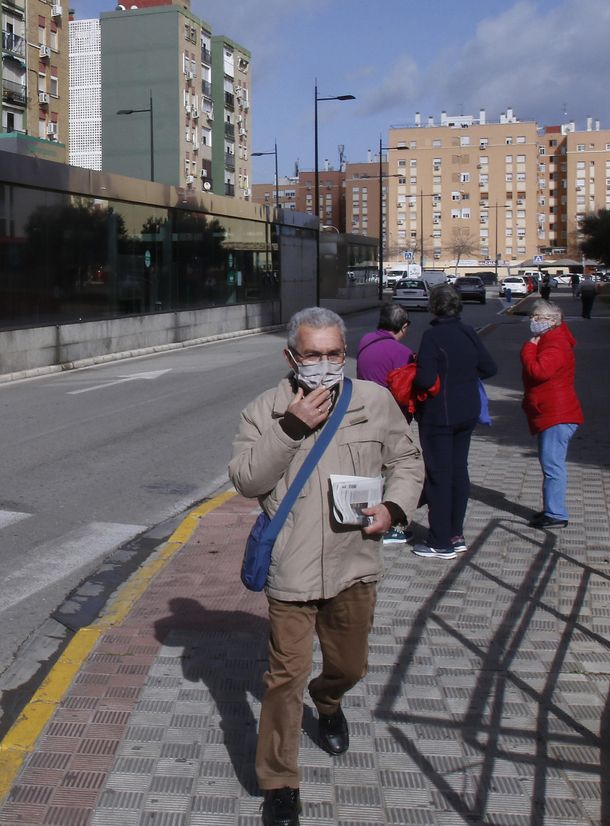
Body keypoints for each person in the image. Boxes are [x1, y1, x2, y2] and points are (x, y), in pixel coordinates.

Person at [228, 307, 424, 826]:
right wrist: (290, 427)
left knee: (350, 665)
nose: (324, 364)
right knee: (283, 680)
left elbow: (407, 459)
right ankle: (280, 784)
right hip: (291, 570)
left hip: (353, 563)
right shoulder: (264, 410)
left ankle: (330, 700)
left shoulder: (373, 401)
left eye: (334, 354)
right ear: (291, 356)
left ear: (345, 353)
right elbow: (247, 481)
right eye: (312, 355)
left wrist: (396, 507)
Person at [411, 285, 498, 559]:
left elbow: (425, 379)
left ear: (433, 306)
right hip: (467, 412)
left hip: (439, 415)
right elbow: (490, 368)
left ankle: (439, 541)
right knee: (459, 472)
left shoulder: (432, 336)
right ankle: (456, 534)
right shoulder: (468, 332)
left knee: (439, 475)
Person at [356, 303, 416, 544]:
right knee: (393, 471)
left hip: (363, 414)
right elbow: (406, 390)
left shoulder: (365, 341)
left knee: (371, 469)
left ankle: (365, 517)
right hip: (390, 418)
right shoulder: (402, 353)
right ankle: (390, 526)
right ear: (404, 326)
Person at [521, 300, 582, 530]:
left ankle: (556, 513)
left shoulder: (555, 343)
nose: (533, 321)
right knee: (550, 462)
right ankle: (551, 508)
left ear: (554, 321)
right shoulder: (550, 340)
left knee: (552, 464)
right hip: (551, 411)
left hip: (557, 413)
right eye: (533, 317)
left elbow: (539, 371)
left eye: (538, 318)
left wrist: (528, 349)